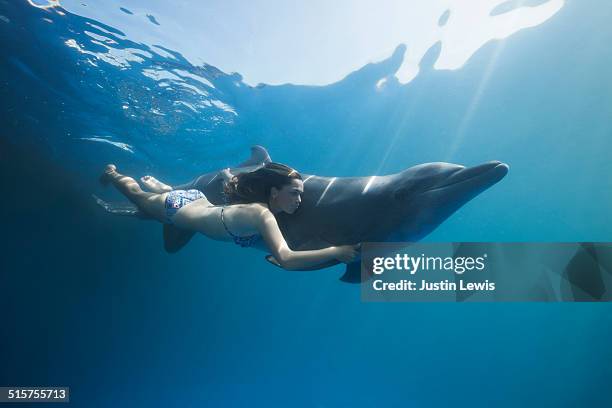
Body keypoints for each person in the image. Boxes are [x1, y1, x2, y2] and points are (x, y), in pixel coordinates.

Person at [100, 162, 360, 270]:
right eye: (294, 194)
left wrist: (228, 178)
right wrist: (337, 251)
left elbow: (236, 189)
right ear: (274, 192)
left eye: (301, 194)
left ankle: (164, 188)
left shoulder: (262, 206)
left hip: (198, 201)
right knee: (135, 195)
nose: (299, 201)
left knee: (149, 201)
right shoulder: (262, 214)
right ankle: (112, 173)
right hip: (175, 208)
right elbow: (286, 259)